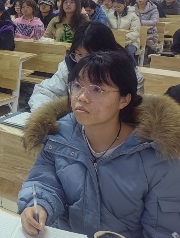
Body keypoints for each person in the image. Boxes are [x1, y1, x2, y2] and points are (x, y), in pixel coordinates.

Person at [19, 51, 180, 237]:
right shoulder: (58, 135)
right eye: (77, 85)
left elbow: (163, 229)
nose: (81, 97)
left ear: (124, 99)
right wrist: (39, 205)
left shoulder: (157, 155)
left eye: (97, 89)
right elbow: (44, 181)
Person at [29, 21, 144, 112]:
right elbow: (45, 92)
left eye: (89, 55)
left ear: (106, 52)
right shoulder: (70, 64)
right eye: (78, 54)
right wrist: (45, 116)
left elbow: (132, 111)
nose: (83, 61)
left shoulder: (126, 73)